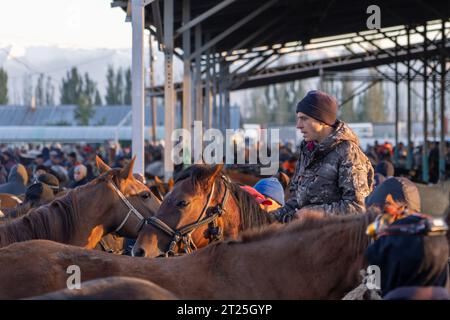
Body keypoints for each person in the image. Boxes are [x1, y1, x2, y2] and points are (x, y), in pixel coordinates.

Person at [271, 90, 374, 222]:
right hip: (308, 233)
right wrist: (271, 217)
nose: (298, 126)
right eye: (298, 119)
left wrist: (312, 213)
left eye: (304, 119)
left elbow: (358, 207)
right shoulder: (307, 150)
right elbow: (298, 199)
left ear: (322, 121)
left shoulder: (348, 152)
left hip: (337, 237)